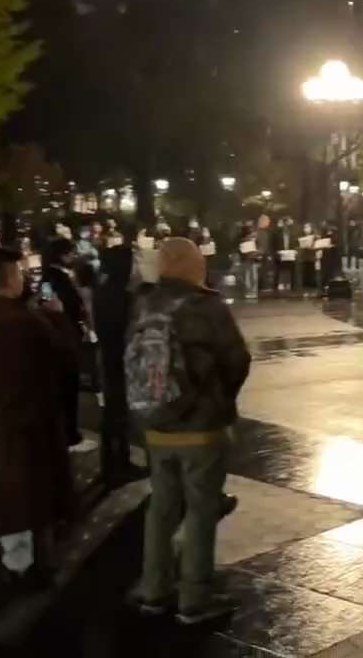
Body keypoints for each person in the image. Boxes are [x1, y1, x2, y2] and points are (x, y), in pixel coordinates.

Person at [132, 238, 250, 625]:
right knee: (201, 509)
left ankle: (153, 591)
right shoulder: (207, 305)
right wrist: (220, 401)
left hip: (155, 426)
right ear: (194, 266)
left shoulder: (144, 303)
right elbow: (237, 359)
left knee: (161, 507)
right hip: (200, 427)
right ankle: (193, 600)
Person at [0, 247, 78, 590]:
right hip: (34, 421)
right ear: (11, 279)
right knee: (36, 497)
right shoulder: (27, 322)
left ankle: (15, 563)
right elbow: (68, 358)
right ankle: (36, 567)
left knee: (9, 496)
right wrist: (58, 317)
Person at [95, 241, 145, 487]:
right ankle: (116, 467)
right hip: (119, 361)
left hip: (110, 359)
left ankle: (115, 463)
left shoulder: (104, 289)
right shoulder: (122, 296)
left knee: (113, 414)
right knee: (118, 414)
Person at [42, 238, 89, 447]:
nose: (73, 257)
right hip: (65, 336)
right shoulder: (58, 277)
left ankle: (64, 431)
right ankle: (69, 433)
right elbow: (70, 305)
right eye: (71, 253)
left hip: (58, 335)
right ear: (61, 255)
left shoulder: (49, 276)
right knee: (68, 386)